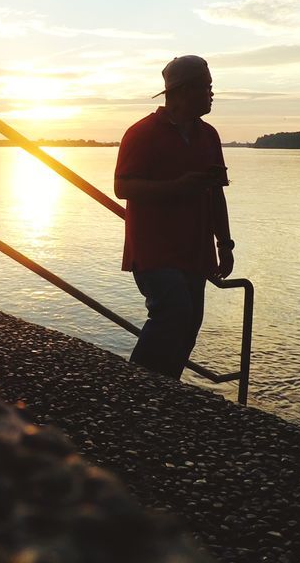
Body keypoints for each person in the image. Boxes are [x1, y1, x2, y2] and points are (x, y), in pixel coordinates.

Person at [114, 55, 234, 380]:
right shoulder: (142, 133)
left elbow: (217, 193)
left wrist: (225, 244)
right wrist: (176, 187)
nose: (212, 94)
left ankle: (166, 392)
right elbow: (121, 186)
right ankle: (134, 388)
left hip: (196, 251)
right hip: (153, 250)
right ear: (181, 92)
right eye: (206, 87)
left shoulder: (208, 135)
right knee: (173, 313)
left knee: (190, 323)